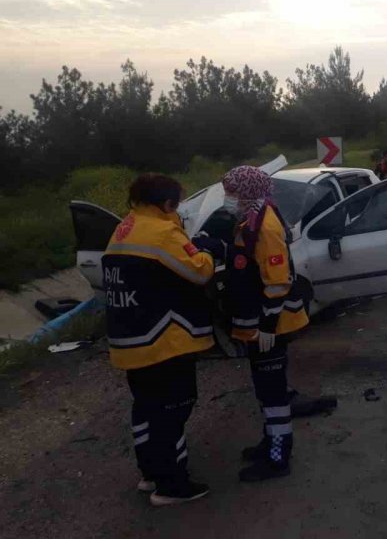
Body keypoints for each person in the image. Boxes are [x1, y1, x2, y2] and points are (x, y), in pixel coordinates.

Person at [103, 174, 223, 506]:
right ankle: (171, 485)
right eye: (178, 203)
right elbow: (199, 271)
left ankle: (151, 473)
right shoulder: (162, 232)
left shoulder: (125, 227)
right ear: (167, 203)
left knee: (146, 407)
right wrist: (210, 250)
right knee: (174, 407)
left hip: (130, 339)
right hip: (163, 340)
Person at [201, 165, 310, 482]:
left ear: (248, 192)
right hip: (258, 324)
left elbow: (277, 282)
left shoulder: (266, 226)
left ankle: (278, 458)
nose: (227, 198)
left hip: (270, 326)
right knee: (265, 390)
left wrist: (267, 326)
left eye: (232, 192)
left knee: (274, 394)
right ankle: (270, 443)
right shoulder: (250, 218)